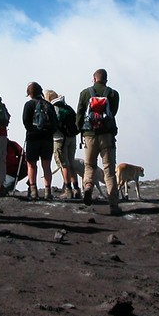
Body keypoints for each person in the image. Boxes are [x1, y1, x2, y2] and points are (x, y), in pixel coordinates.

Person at [75, 68, 121, 214]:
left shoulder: (84, 93)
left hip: (89, 136)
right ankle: (113, 204)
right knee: (109, 171)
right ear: (106, 79)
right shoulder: (113, 94)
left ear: (94, 79)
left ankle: (88, 186)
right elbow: (112, 113)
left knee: (89, 166)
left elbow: (80, 113)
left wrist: (80, 128)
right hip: (107, 136)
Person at [22, 82, 56, 200]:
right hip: (47, 138)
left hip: (33, 137)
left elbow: (25, 121)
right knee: (46, 165)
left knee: (31, 165)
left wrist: (31, 130)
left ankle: (33, 191)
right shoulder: (48, 105)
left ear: (29, 93)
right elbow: (54, 123)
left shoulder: (29, 105)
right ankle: (48, 191)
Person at [46, 90, 80, 199]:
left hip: (59, 139)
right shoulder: (67, 107)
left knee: (63, 164)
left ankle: (68, 190)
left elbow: (51, 124)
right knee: (71, 163)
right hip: (72, 137)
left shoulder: (53, 108)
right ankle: (77, 189)